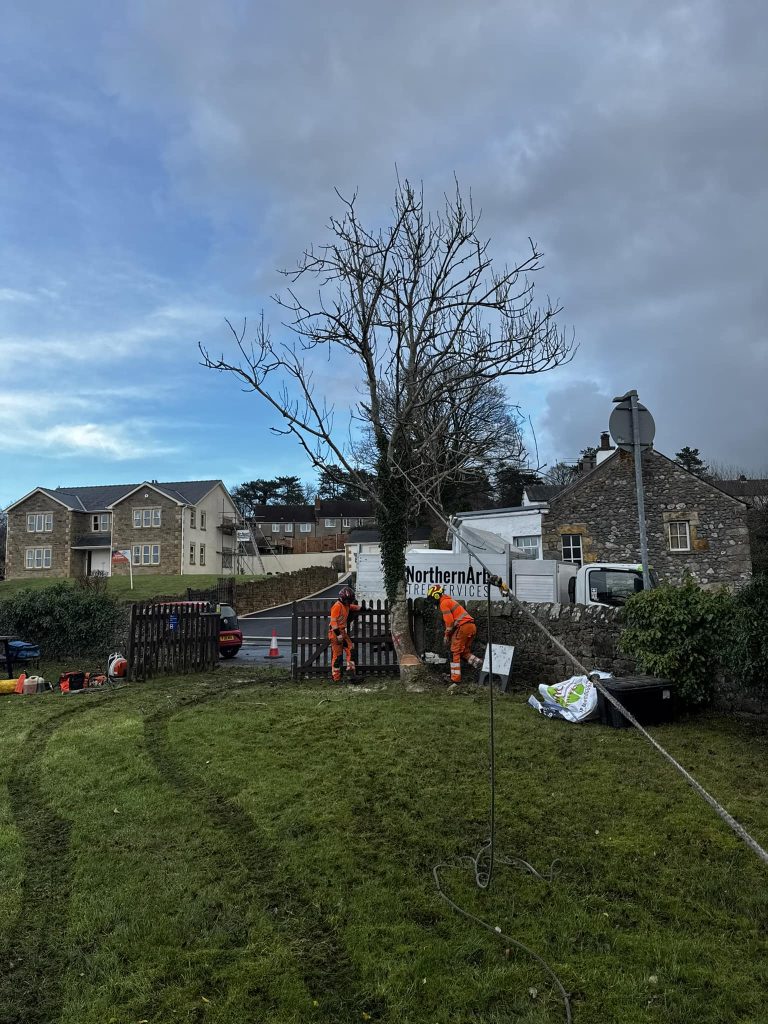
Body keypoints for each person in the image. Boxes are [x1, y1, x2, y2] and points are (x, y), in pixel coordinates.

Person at [427, 584, 483, 683]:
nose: (432, 601)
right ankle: (480, 664)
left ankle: (455, 680)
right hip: (471, 627)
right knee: (463, 652)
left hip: (463, 627)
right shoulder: (449, 600)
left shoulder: (443, 603)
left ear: (436, 596)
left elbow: (449, 623)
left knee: (455, 652)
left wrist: (446, 636)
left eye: (432, 598)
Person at [328, 586, 361, 683]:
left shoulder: (346, 605)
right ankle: (336, 677)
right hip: (335, 633)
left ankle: (351, 673)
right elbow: (333, 622)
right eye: (348, 600)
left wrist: (364, 608)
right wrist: (338, 635)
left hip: (342, 632)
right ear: (344, 598)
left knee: (350, 650)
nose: (349, 602)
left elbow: (353, 607)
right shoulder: (337, 606)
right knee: (337, 656)